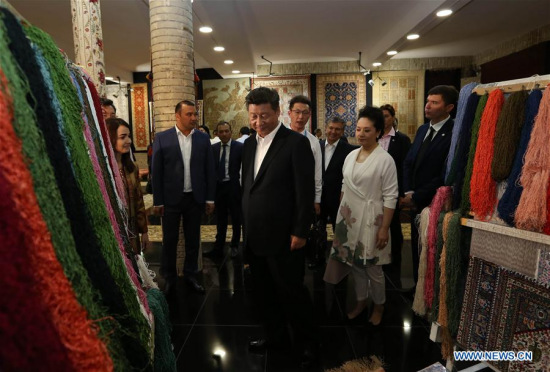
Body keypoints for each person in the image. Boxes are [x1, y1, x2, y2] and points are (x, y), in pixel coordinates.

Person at [242, 87, 318, 368]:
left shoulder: (295, 143)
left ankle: (307, 342)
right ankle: (275, 337)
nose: (258, 122)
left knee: (292, 293)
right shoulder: (249, 144)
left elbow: (305, 192)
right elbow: (249, 187)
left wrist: (300, 231)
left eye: (264, 115)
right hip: (255, 235)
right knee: (264, 293)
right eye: (253, 116)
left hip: (285, 236)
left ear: (277, 112)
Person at [323, 106, 398, 326]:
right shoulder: (351, 155)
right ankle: (361, 301)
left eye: (367, 130)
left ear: (378, 131)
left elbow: (391, 196)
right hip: (349, 219)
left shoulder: (385, 160)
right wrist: (341, 216)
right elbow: (345, 184)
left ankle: (379, 305)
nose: (361, 134)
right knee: (355, 264)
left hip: (372, 219)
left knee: (373, 267)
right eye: (358, 129)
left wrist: (384, 228)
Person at [152, 100, 216, 295]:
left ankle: (190, 275)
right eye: (189, 114)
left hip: (194, 199)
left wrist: (210, 199)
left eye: (195, 114)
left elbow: (209, 170)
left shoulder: (203, 139)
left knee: (193, 240)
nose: (194, 118)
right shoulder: (163, 138)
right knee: (170, 240)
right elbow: (157, 172)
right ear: (177, 116)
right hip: (171, 199)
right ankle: (169, 278)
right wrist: (158, 201)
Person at [401, 85, 458, 284]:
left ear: (449, 107)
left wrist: (417, 196)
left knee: (433, 249)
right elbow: (409, 162)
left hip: (436, 202)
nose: (427, 106)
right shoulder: (423, 129)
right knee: (418, 246)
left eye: (434, 102)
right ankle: (417, 289)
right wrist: (408, 192)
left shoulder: (455, 132)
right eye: (427, 101)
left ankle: (431, 294)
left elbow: (445, 174)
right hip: (414, 201)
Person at [308, 117, 355, 269]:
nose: (333, 132)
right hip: (318, 198)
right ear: (326, 128)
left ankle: (340, 261)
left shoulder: (349, 150)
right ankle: (318, 259)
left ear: (342, 131)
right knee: (318, 231)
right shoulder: (317, 146)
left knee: (340, 231)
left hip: (338, 199)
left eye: (338, 129)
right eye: (331, 128)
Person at [106, 118, 152, 255]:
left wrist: (144, 232)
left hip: (131, 232)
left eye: (129, 136)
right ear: (110, 138)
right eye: (123, 137)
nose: (129, 141)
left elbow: (139, 202)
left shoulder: (132, 168)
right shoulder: (103, 170)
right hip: (112, 233)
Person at [379, 104, 411, 288]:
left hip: (393, 191)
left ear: (392, 117)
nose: (383, 119)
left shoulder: (401, 140)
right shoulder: (372, 137)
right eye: (380, 116)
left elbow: (404, 168)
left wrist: (402, 193)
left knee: (394, 228)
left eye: (386, 116)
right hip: (374, 192)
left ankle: (394, 264)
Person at [208, 121, 243, 258]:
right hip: (219, 188)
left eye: (226, 131)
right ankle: (218, 247)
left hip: (234, 187)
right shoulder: (213, 148)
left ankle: (234, 245)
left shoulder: (240, 147)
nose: (224, 134)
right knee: (220, 219)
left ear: (231, 132)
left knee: (236, 218)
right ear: (217, 133)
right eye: (221, 131)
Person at [288, 95, 322, 215]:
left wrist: (317, 199)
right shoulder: (280, 138)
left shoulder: (314, 142)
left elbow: (317, 173)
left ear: (309, 115)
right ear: (289, 113)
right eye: (297, 112)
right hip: (282, 193)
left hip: (305, 193)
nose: (300, 117)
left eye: (305, 113)